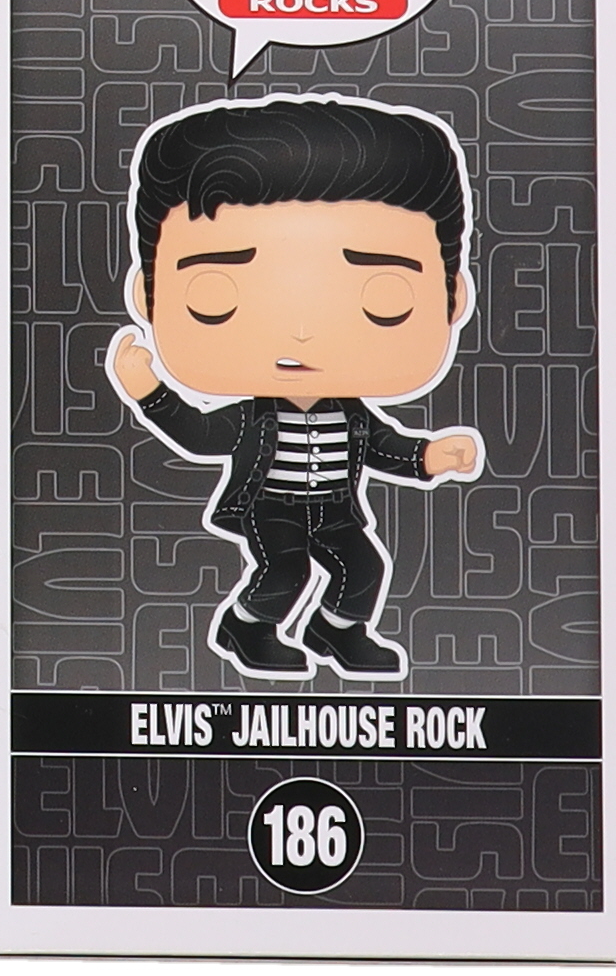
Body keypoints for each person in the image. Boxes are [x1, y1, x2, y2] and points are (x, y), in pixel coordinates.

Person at [108, 95, 483, 680]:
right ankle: (247, 626)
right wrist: (148, 391)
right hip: (272, 508)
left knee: (365, 568)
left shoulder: (352, 414)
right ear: (148, 297)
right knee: (286, 570)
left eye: (384, 300)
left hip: (336, 509)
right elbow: (201, 435)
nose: (302, 332)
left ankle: (335, 629)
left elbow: (383, 446)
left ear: (452, 298)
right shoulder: (252, 417)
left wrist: (429, 456)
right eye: (216, 297)